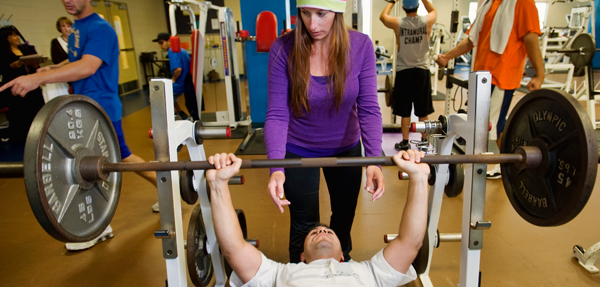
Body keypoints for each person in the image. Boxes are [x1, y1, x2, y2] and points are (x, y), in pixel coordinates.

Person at [0, 0, 159, 250]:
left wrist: (37, 78)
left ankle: (98, 226)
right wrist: (55, 67)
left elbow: (87, 66)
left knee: (94, 164)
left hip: (101, 106)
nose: (68, 0)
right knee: (108, 158)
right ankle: (164, 190)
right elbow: (77, 58)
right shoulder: (77, 27)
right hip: (83, 106)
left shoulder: (100, 29)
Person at [265, 0, 385, 263]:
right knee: (302, 225)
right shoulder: (282, 49)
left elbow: (369, 109)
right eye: (305, 14)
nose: (312, 24)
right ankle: (299, 274)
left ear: (338, 12)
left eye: (321, 14)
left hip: (346, 148)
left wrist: (374, 159)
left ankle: (343, 273)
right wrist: (276, 167)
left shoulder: (361, 46)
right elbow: (277, 114)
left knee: (342, 220)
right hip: (297, 148)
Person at [206, 150, 429, 286]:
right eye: (315, 233)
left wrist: (419, 177)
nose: (322, 231)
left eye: (327, 232)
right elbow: (233, 249)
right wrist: (217, 184)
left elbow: (410, 243)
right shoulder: (279, 274)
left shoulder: (368, 271)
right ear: (301, 256)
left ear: (343, 255)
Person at [435, 0, 545, 179]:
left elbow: (531, 37)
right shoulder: (488, 4)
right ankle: (509, 166)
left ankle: (485, 169)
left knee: (486, 128)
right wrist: (447, 57)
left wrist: (539, 74)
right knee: (485, 125)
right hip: (481, 77)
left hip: (501, 77)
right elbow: (471, 40)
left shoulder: (523, 3)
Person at [380, 0, 437, 151]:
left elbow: (383, 17)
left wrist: (392, 2)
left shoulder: (398, 23)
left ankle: (405, 142)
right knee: (423, 111)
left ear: (403, 8)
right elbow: (434, 12)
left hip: (404, 72)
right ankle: (424, 142)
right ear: (418, 6)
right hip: (422, 72)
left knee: (405, 111)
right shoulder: (427, 20)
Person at [0, 25, 45, 143]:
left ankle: (39, 134)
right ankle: (22, 137)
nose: (16, 37)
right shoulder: (3, 52)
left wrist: (35, 64)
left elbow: (33, 65)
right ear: (6, 38)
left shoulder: (24, 49)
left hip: (31, 84)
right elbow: (4, 69)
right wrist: (15, 65)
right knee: (21, 113)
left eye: (16, 35)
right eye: (13, 35)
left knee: (37, 109)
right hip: (15, 87)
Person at [153, 32, 200, 121]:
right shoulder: (181, 50)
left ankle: (172, 118)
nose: (160, 46)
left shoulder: (172, 51)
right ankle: (180, 113)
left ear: (169, 41)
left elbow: (178, 69)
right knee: (167, 93)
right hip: (187, 82)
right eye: (159, 44)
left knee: (160, 93)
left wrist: (173, 79)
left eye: (162, 43)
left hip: (181, 83)